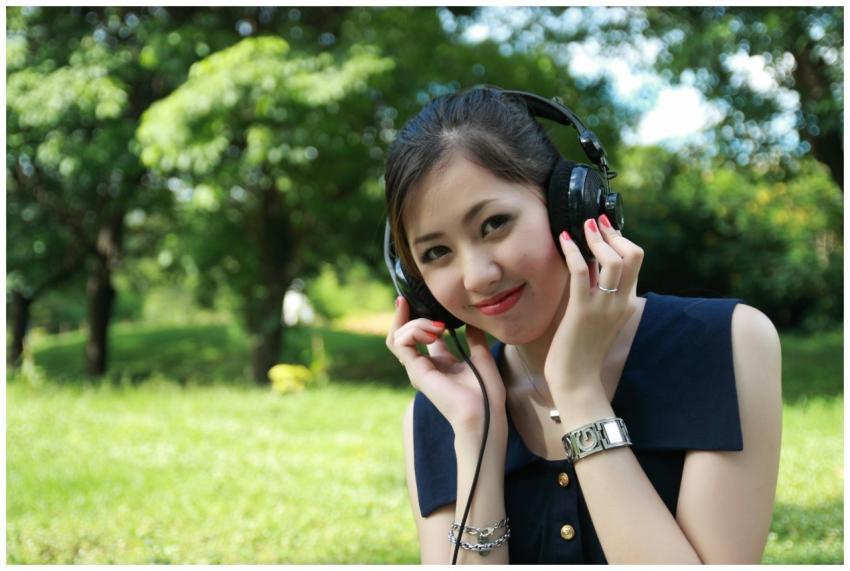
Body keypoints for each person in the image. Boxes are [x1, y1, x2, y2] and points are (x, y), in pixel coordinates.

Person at [383, 86, 782, 564]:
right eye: (436, 253)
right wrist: (478, 435)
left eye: (494, 224)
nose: (477, 276)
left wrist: (577, 392)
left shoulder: (724, 343)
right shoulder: (443, 411)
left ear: (571, 208)